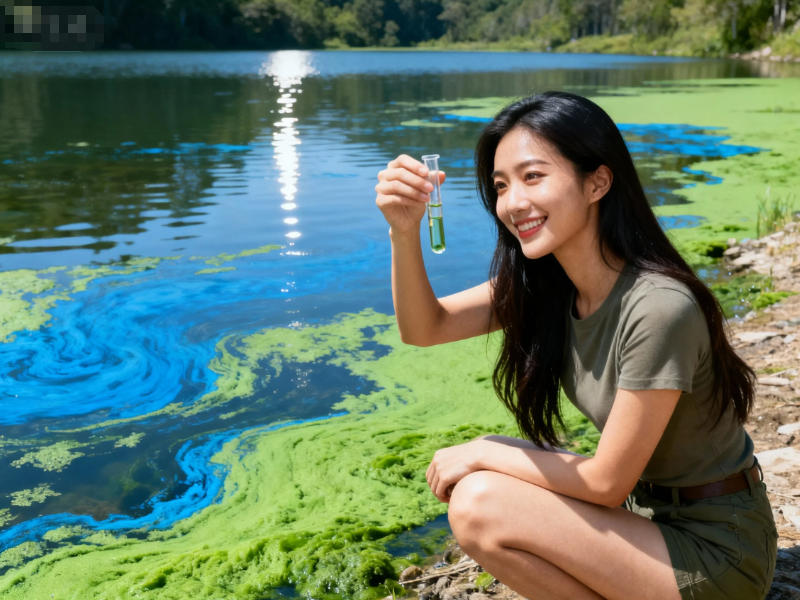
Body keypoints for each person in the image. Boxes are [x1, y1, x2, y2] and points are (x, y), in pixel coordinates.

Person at [374, 91, 777, 600]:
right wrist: (403, 233)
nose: (513, 203)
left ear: (597, 182)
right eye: (501, 186)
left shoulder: (658, 307)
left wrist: (489, 450)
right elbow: (424, 327)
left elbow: (607, 482)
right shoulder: (549, 286)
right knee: (478, 507)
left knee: (479, 501)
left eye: (533, 176)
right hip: (643, 523)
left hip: (717, 556)